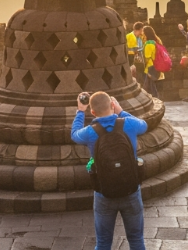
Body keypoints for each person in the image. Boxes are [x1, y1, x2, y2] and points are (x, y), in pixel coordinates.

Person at [71, 91, 148, 250]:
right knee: (136, 240)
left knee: (103, 243)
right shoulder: (129, 124)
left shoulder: (90, 132)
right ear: (112, 105)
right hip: (131, 190)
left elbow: (74, 134)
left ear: (93, 112)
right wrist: (121, 111)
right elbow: (144, 125)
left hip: (103, 193)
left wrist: (80, 111)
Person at [142, 26, 163, 98]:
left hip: (150, 67)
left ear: (146, 34)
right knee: (150, 86)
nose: (142, 35)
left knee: (149, 87)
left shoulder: (148, 44)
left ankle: (155, 99)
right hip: (156, 66)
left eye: (143, 33)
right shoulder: (156, 42)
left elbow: (147, 57)